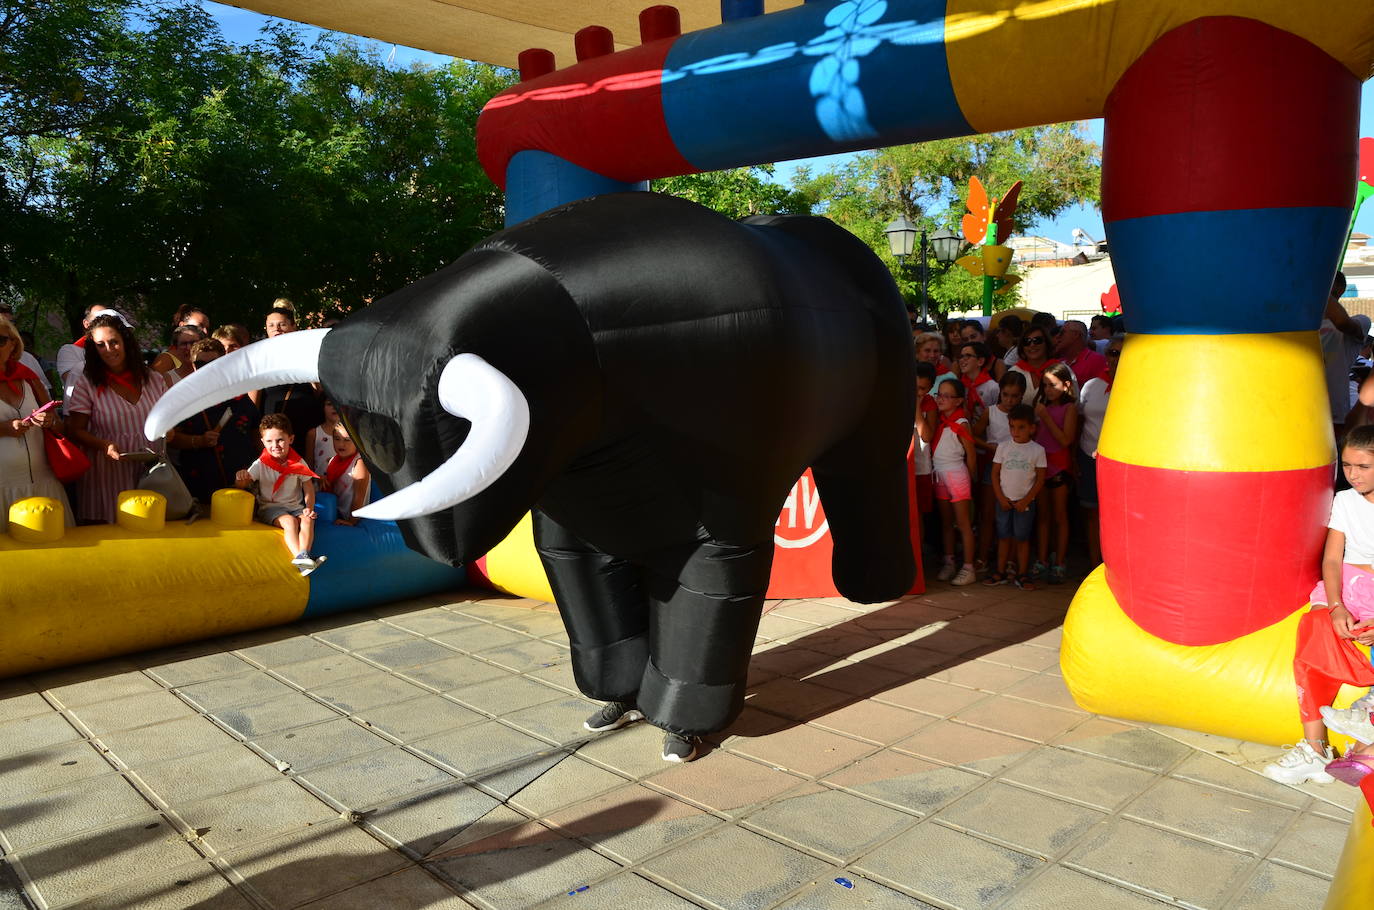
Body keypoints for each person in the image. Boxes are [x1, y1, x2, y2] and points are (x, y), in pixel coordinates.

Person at [1262, 424, 1374, 785]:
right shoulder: (1344, 501)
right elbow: (1330, 560)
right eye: (1347, 466)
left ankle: (1367, 718)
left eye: (1363, 467)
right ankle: (1315, 748)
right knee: (1313, 628)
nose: (1353, 475)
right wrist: (1338, 604)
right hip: (1345, 585)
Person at [64, 313, 175, 523]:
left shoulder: (154, 379)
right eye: (100, 344)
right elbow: (74, 430)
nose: (108, 350)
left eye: (113, 342)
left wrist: (169, 431)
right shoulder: (87, 383)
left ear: (126, 341)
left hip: (150, 470)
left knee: (150, 528)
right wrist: (104, 445)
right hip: (107, 472)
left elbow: (168, 421)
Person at [167, 339, 261, 503]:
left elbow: (257, 436)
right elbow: (171, 438)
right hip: (198, 484)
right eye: (201, 364)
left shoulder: (239, 395)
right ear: (193, 364)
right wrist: (199, 441)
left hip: (239, 484)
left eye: (213, 363)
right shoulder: (184, 398)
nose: (207, 369)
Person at [0, 318, 72, 523]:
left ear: (13, 343)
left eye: (0, 340)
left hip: (43, 484)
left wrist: (49, 421)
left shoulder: (29, 379)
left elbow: (60, 427)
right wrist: (4, 428)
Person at [235, 413, 326, 575]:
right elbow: (244, 483)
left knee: (307, 519)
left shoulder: (297, 462)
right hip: (271, 509)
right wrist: (241, 478)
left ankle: (304, 556)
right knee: (290, 522)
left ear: (290, 439)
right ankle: (300, 558)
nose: (275, 445)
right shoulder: (261, 464)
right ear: (262, 442)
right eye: (269, 441)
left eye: (280, 440)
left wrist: (308, 508)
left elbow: (308, 487)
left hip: (295, 507)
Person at [985, 404, 1046, 588]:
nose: (1016, 431)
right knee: (1003, 536)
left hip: (1025, 503)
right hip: (1004, 501)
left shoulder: (1037, 450)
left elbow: (1040, 479)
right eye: (1012, 426)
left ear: (1032, 428)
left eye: (1021, 427)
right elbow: (994, 474)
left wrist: (1026, 500)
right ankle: (1000, 572)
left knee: (1022, 538)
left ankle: (1022, 574)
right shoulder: (1003, 447)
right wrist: (1001, 498)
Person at [973, 371, 1027, 574]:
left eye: (1015, 396)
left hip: (1018, 470)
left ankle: (1011, 560)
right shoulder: (991, 412)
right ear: (1000, 393)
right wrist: (990, 447)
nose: (1010, 400)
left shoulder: (1025, 414)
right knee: (987, 515)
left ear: (1022, 395)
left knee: (1014, 515)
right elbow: (973, 434)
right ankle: (983, 557)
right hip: (993, 466)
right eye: (1006, 395)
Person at [1078, 333, 1123, 567]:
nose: (1115, 358)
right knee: (1092, 513)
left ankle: (1116, 564)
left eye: (1121, 353)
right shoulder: (1092, 385)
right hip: (1088, 456)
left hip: (1120, 461)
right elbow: (1079, 419)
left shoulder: (1139, 385)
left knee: (1118, 515)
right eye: (1112, 352)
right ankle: (1095, 564)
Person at [1031, 362, 1078, 584]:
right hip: (1041, 466)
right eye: (1045, 385)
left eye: (1053, 385)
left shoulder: (1069, 409)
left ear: (1066, 385)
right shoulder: (1040, 406)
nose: (1048, 390)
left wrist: (1046, 418)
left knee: (1060, 516)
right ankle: (1041, 558)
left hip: (1060, 467)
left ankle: (1059, 561)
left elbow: (1065, 440)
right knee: (1043, 516)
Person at [931, 378, 978, 586]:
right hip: (939, 475)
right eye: (939, 394)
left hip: (957, 476)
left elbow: (971, 455)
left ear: (958, 401)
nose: (941, 399)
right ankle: (949, 562)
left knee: (963, 523)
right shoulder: (938, 421)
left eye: (946, 396)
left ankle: (968, 567)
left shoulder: (961, 423)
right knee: (946, 522)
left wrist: (971, 481)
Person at [252, 305, 325, 437]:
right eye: (271, 325)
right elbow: (253, 405)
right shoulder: (260, 360)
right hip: (274, 434)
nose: (276, 329)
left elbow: (320, 393)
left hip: (307, 429)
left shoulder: (308, 354)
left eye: (282, 324)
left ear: (293, 326)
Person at [1322, 273, 1371, 440]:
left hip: (1333, 416)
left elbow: (1342, 322)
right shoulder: (1299, 325)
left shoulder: (1361, 321)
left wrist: (1317, 290)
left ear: (1340, 291)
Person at [55, 303, 118, 409]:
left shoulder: (119, 350)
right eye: (99, 318)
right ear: (86, 324)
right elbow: (74, 382)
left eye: (109, 318)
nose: (105, 322)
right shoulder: (69, 351)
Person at [323, 423, 371, 524]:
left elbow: (359, 497)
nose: (341, 444)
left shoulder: (359, 463)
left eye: (347, 439)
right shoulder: (332, 461)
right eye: (337, 439)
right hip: (335, 513)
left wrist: (351, 521)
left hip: (354, 519)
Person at [1055, 320, 1108, 388]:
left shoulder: (1097, 361)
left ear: (1076, 335)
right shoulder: (1058, 363)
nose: (1058, 336)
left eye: (1062, 332)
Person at [1008, 325, 1061, 395]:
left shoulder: (1062, 370)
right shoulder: (1013, 372)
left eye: (1037, 340)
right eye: (1027, 342)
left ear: (1047, 343)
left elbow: (1073, 401)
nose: (1032, 345)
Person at [305, 399, 342, 476]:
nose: (334, 407)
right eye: (329, 404)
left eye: (337, 403)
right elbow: (309, 465)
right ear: (323, 408)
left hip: (344, 484)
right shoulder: (314, 433)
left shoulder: (352, 433)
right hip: (320, 484)